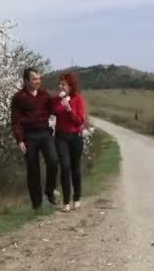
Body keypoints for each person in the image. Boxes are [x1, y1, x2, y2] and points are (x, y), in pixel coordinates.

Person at [11, 67, 59, 209]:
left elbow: (54, 110)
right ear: (26, 81)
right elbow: (15, 121)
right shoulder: (18, 97)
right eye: (34, 79)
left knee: (53, 160)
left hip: (45, 133)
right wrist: (19, 140)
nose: (38, 81)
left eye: (39, 78)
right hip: (29, 137)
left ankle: (49, 191)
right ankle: (37, 204)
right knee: (33, 170)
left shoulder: (44, 95)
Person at [52, 73, 86, 213]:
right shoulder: (56, 99)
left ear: (71, 86)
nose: (61, 86)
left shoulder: (77, 99)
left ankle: (76, 198)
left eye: (64, 84)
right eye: (60, 84)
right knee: (65, 167)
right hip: (61, 137)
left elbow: (79, 121)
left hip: (75, 137)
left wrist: (69, 109)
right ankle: (66, 201)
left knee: (75, 168)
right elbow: (50, 111)